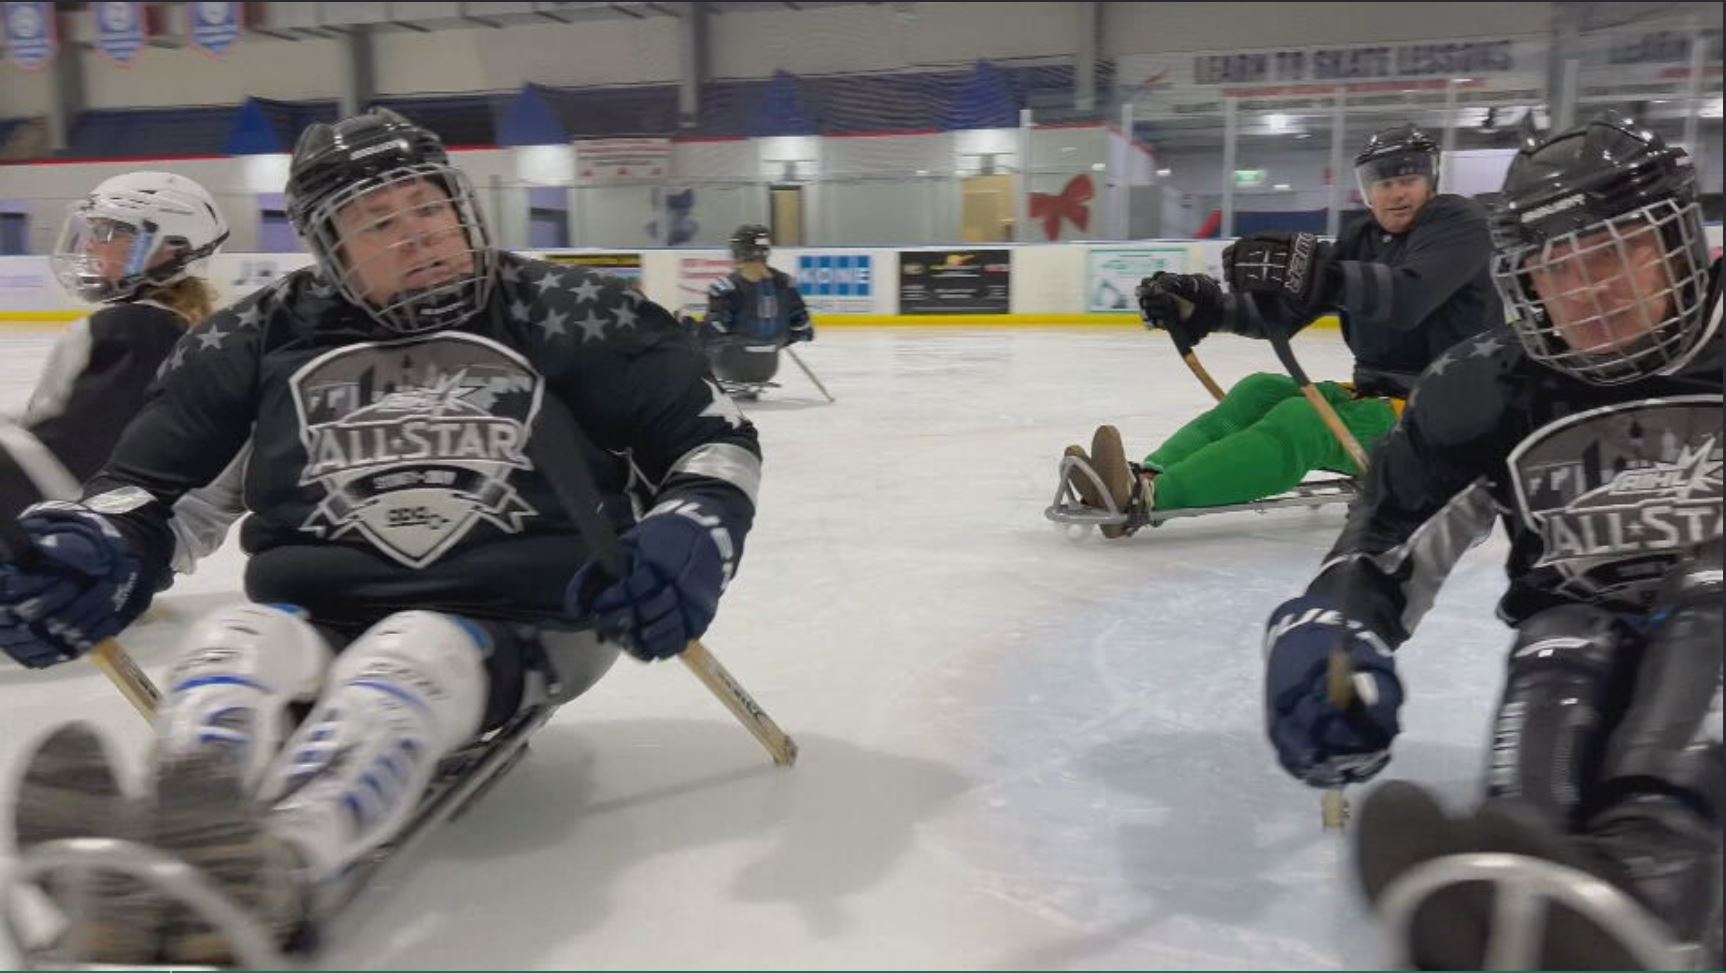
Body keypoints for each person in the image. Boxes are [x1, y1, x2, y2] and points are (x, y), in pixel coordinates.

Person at [0, 107, 762, 963]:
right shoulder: (252, 340)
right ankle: (182, 829)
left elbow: (710, 440)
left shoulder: (572, 313)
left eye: (428, 208)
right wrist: (92, 547)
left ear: (462, 205)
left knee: (410, 649)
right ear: (330, 246)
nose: (418, 236)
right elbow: (150, 491)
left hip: (532, 614)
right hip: (317, 610)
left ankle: (286, 856)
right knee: (231, 639)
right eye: (378, 223)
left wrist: (694, 530)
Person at [1259, 113, 1721, 968]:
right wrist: (1331, 632)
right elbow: (1386, 537)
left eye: (1617, 252)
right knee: (1562, 633)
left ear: (1682, 243)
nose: (1589, 291)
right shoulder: (1490, 388)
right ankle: (1531, 869)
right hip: (1585, 643)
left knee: (1709, 603)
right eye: (1558, 265)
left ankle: (1656, 887)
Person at [1064, 124, 1500, 537]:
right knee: (1259, 391)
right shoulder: (1363, 239)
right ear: (1368, 193)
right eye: (1383, 183)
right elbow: (1280, 315)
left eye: (1408, 178)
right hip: (1384, 397)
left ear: (1431, 180)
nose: (1397, 193)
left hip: (1447, 418)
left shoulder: (1458, 224)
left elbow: (1409, 297)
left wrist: (1322, 276)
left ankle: (1148, 500)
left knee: (1302, 420)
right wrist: (1205, 309)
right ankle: (1143, 476)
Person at [0, 171, 239, 569]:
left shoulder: (131, 331)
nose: (92, 244)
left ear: (168, 249)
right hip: (114, 549)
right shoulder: (172, 330)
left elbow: (70, 464)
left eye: (112, 233)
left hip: (70, 554)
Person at [699, 224, 812, 396]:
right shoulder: (786, 284)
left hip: (730, 367)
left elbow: (713, 332)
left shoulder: (726, 287)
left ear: (739, 250)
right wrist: (773, 341)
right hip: (768, 368)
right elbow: (804, 329)